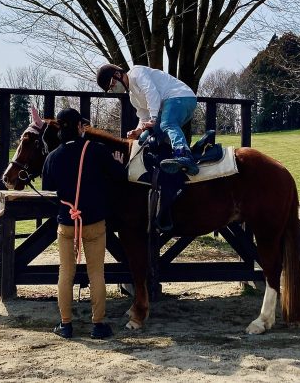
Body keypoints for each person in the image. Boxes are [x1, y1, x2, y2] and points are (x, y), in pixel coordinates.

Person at [41, 108, 126, 340]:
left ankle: (65, 324)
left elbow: (48, 188)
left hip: (67, 223)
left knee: (65, 273)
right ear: (79, 126)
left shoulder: (52, 157)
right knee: (96, 273)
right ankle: (98, 324)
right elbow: (119, 175)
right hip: (95, 222)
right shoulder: (97, 151)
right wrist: (117, 162)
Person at [96, 64, 199, 175]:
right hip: (170, 106)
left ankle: (183, 155)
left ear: (117, 74)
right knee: (144, 140)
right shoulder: (133, 97)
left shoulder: (136, 72)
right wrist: (138, 131)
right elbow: (144, 118)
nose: (114, 88)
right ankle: (164, 165)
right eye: (111, 89)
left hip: (181, 96)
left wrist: (153, 118)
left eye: (112, 84)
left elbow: (151, 92)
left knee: (167, 124)